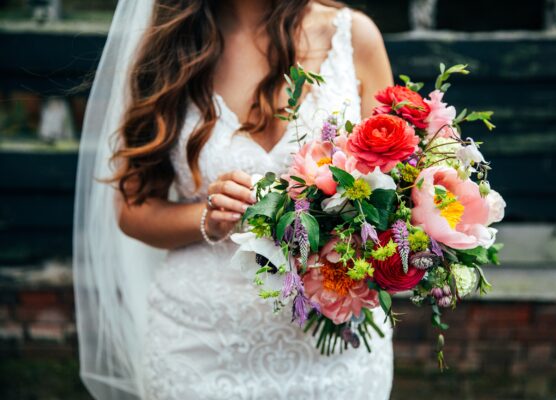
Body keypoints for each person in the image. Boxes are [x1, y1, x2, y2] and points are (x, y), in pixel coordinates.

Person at [74, 1, 394, 399]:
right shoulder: (167, 48)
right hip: (199, 347)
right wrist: (208, 218)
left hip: (335, 355)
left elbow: (394, 181)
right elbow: (132, 211)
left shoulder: (352, 36)